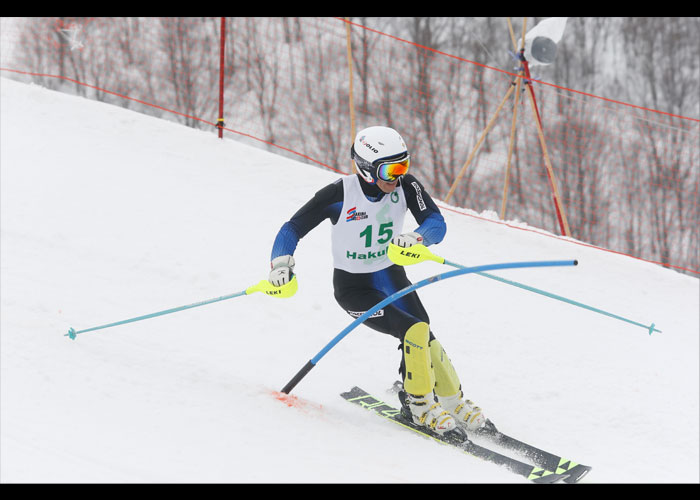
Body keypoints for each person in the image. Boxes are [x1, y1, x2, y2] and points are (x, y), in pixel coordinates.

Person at [268, 126, 486, 436]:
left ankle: (452, 401)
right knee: (412, 329)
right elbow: (292, 228)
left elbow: (436, 222)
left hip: (390, 276)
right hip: (354, 288)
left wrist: (418, 237)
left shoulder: (405, 186)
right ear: (368, 169)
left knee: (422, 330)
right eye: (391, 169)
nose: (398, 176)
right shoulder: (339, 194)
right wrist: (280, 263)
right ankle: (419, 407)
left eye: (404, 165)